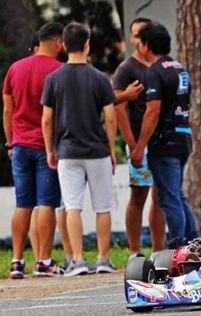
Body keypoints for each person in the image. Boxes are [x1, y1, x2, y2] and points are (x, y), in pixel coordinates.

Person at [41, 22, 119, 277]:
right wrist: (111, 149)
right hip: (97, 150)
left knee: (72, 205)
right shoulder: (99, 78)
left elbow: (46, 119)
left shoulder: (53, 79)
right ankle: (104, 258)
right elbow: (109, 117)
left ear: (63, 45)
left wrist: (50, 148)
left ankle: (78, 259)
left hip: (67, 149)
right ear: (87, 44)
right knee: (103, 206)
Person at [3, 23, 66, 278]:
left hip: (19, 145)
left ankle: (17, 261)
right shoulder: (59, 71)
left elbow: (8, 110)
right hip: (46, 145)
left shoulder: (14, 68)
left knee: (23, 204)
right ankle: (44, 261)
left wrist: (10, 142)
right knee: (47, 203)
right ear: (59, 42)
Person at [131, 22, 197, 248]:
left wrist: (140, 146)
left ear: (147, 46)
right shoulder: (180, 68)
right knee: (177, 195)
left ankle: (180, 245)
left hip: (164, 143)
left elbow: (153, 111)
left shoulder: (155, 72)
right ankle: (192, 239)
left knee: (169, 199)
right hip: (184, 137)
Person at [112, 17, 166, 260]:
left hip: (162, 141)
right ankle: (135, 251)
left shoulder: (160, 65)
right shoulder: (127, 69)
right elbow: (117, 107)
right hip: (138, 141)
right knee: (139, 194)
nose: (140, 38)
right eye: (135, 34)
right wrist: (133, 145)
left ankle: (158, 250)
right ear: (132, 39)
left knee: (161, 195)